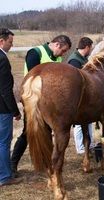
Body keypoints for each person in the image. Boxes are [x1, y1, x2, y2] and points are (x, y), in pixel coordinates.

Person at [10, 35, 71, 175]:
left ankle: (47, 162)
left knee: (48, 130)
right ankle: (13, 163)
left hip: (49, 103)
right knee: (27, 132)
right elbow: (33, 77)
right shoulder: (35, 53)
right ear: (56, 45)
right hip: (33, 100)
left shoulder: (58, 59)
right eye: (63, 50)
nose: (63, 54)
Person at [0, 28, 22, 186]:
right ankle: (5, 176)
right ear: (2, 41)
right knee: (3, 142)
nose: (11, 45)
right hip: (2, 109)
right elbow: (5, 90)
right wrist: (15, 111)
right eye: (10, 42)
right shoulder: (2, 59)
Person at [67, 37, 95, 154]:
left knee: (88, 121)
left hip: (85, 96)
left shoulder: (83, 58)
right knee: (78, 123)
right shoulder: (74, 60)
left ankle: (89, 143)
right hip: (77, 97)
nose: (91, 50)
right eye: (91, 47)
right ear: (87, 47)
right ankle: (80, 148)